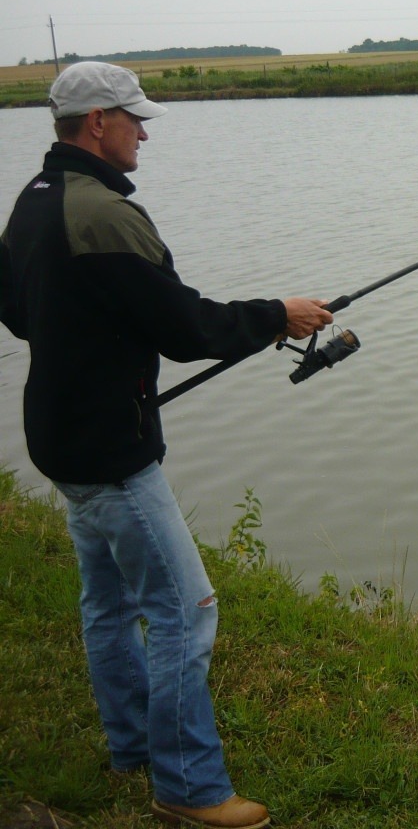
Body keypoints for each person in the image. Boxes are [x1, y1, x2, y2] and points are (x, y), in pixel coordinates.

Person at [0, 62, 333, 828]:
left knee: (109, 604)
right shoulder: (104, 215)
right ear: (96, 125)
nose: (143, 133)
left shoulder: (33, 202)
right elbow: (187, 329)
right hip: (112, 456)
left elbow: (20, 311)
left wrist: (97, 342)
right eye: (133, 119)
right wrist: (278, 314)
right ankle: (187, 788)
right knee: (187, 610)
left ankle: (131, 747)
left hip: (60, 437)